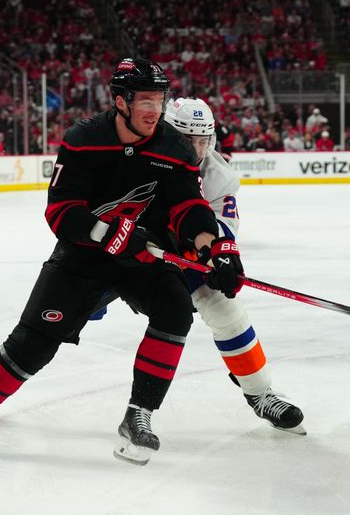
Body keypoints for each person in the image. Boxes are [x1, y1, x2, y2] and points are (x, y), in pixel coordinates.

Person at [0, 58, 245, 465]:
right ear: (120, 101)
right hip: (83, 259)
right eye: (144, 100)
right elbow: (60, 211)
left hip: (142, 257)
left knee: (176, 310)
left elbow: (188, 207)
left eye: (159, 100)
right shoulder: (83, 139)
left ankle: (138, 415)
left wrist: (215, 247)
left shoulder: (173, 146)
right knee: (35, 343)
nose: (154, 110)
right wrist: (107, 233)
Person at [100, 97, 305, 433]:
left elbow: (222, 226)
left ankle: (259, 392)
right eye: (187, 140)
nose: (196, 149)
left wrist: (222, 256)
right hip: (122, 254)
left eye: (203, 139)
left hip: (179, 258)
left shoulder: (218, 175)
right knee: (66, 314)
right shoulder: (135, 156)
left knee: (227, 310)